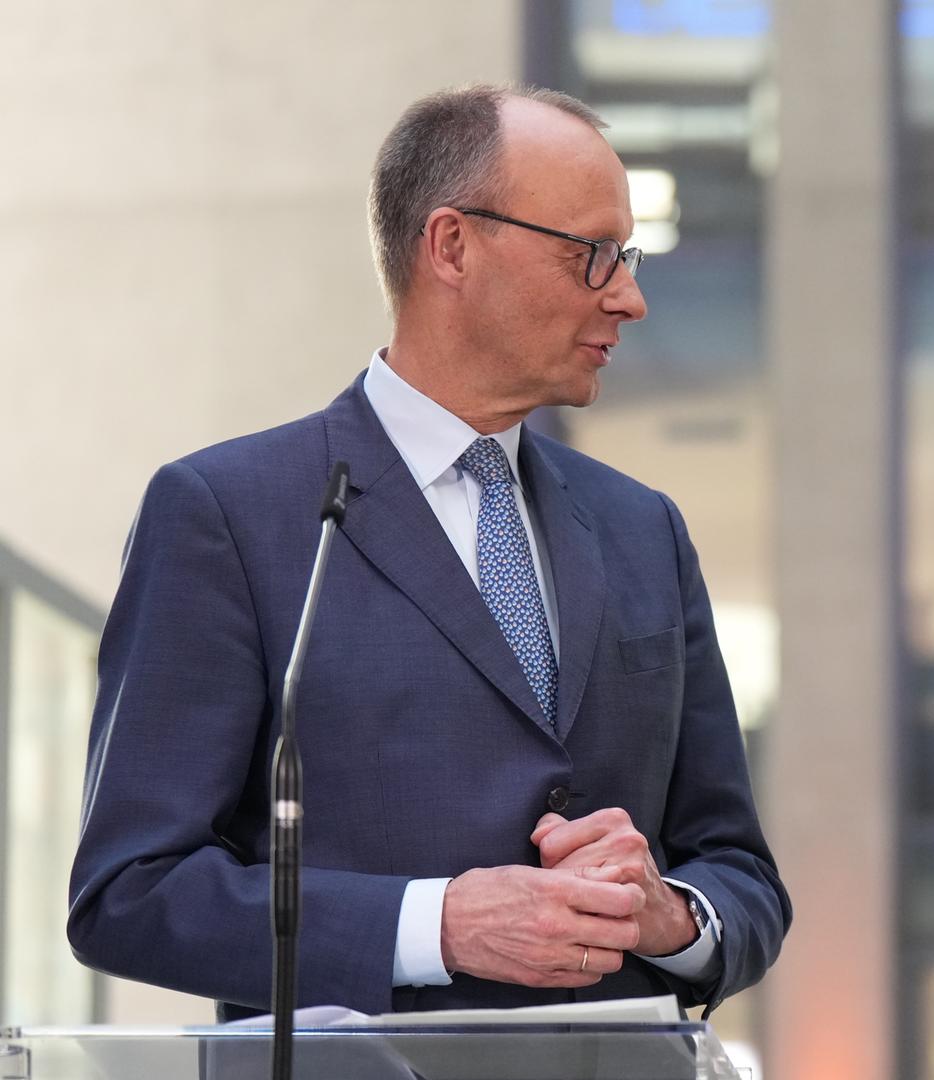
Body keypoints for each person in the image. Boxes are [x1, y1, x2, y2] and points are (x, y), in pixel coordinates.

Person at [67, 84, 788, 1020]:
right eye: (593, 256)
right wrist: (434, 925)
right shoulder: (229, 514)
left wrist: (672, 919)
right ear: (453, 245)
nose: (631, 297)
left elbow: (743, 878)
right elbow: (130, 893)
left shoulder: (644, 528)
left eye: (629, 258)